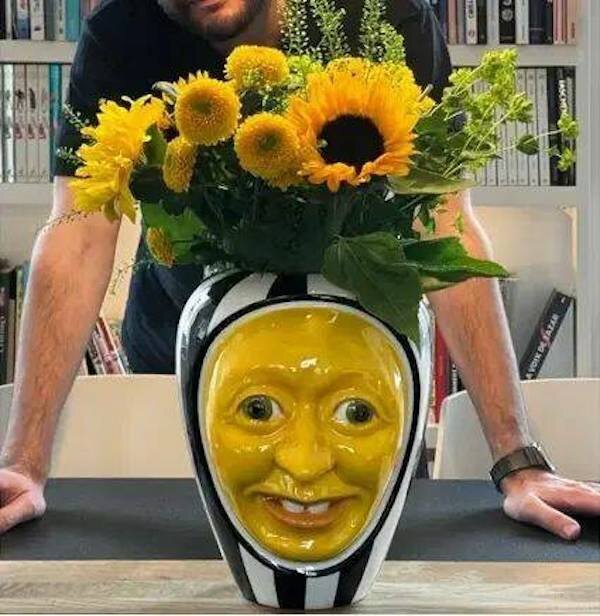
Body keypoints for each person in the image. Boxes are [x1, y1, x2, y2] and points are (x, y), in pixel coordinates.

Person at [0, 0, 598, 539]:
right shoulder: (120, 33)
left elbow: (442, 223)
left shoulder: (387, 18)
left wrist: (518, 462)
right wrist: (22, 465)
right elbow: (77, 234)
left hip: (354, 365)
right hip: (186, 356)